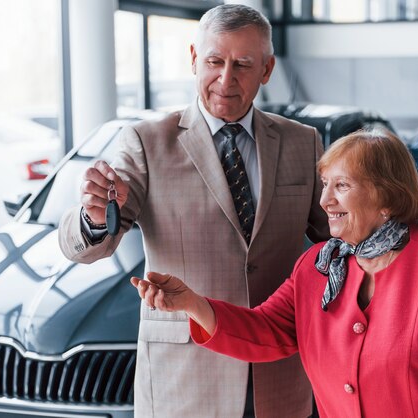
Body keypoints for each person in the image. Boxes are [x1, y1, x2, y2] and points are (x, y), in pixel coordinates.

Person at [58, 4, 329, 418]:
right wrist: (95, 216)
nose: (225, 79)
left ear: (267, 69)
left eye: (242, 64)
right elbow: (89, 245)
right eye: (214, 61)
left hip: (280, 372)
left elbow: (341, 233)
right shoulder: (146, 142)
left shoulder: (302, 142)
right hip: (185, 380)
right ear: (193, 59)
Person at [133, 128, 418, 418]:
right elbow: (265, 332)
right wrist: (192, 304)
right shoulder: (317, 267)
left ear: (386, 196)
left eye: (342, 186)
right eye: (325, 184)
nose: (324, 200)